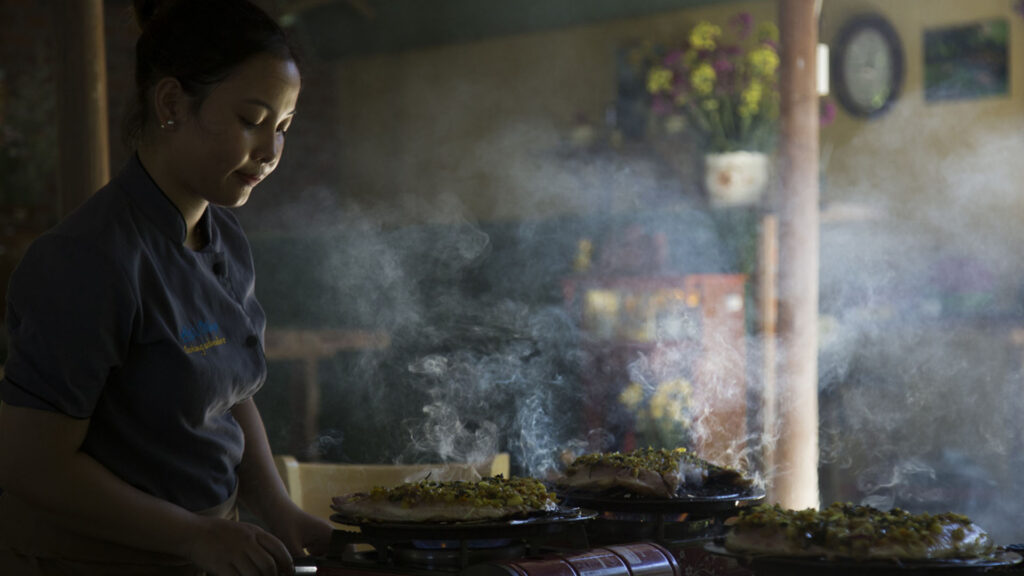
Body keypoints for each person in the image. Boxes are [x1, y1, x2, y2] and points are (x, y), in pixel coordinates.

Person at [0, 0, 333, 573]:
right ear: (172, 103)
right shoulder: (86, 259)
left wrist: (279, 511)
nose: (271, 152)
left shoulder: (222, 238)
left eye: (281, 128)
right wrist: (193, 536)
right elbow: (32, 466)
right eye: (251, 120)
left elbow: (228, 393)